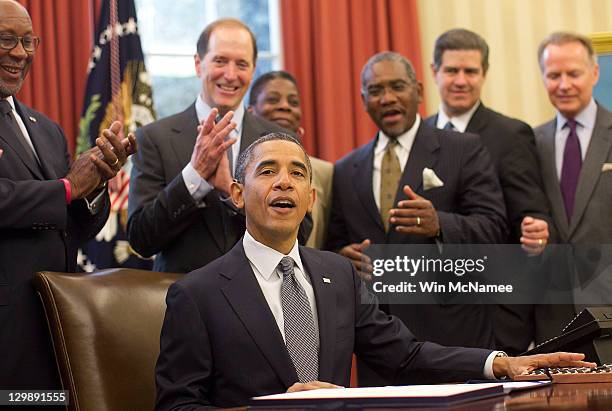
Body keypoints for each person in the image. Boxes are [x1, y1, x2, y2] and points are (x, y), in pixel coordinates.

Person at [154, 133, 594, 409]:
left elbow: (405, 355)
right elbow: (176, 406)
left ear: (310, 199)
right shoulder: (198, 293)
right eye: (267, 171)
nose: (283, 182)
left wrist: (500, 363)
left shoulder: (338, 275)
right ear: (236, 193)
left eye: (297, 174)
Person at [0, 0, 137, 389]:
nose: (20, 53)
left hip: (59, 319)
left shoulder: (46, 129)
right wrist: (68, 186)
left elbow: (73, 227)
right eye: (7, 39)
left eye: (29, 41)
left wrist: (95, 183)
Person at [425, 28, 553, 355]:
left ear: (484, 74)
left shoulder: (510, 135)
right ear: (434, 71)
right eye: (452, 70)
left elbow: (531, 209)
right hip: (430, 313)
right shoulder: (420, 136)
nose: (461, 80)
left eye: (471, 71)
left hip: (494, 313)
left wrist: (535, 226)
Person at [127, 18, 290, 273]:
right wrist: (194, 176)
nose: (230, 74)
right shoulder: (154, 138)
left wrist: (231, 193)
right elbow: (141, 239)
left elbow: (303, 229)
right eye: (220, 61)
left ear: (253, 69)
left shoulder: (279, 140)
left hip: (262, 298)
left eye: (241, 64)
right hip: (183, 299)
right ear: (198, 64)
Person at [534, 31, 612, 342]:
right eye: (554, 75)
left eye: (573, 73)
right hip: (552, 317)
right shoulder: (531, 142)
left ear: (594, 73)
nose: (564, 85)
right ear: (543, 79)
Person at [248, 70, 333, 249]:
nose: (285, 106)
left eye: (293, 102)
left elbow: (329, 238)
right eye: (273, 99)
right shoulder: (238, 168)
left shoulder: (325, 172)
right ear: (250, 112)